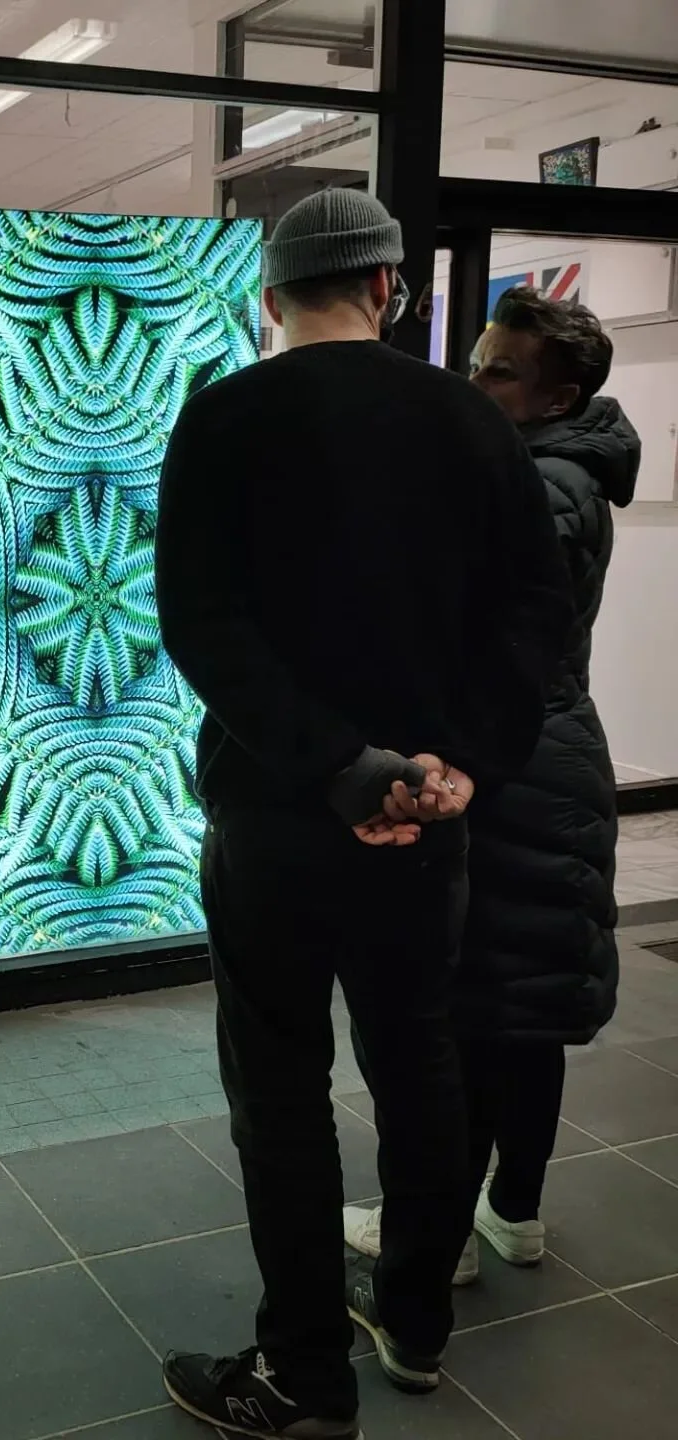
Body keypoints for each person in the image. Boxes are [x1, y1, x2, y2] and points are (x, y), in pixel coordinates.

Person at [153, 191, 571, 1439]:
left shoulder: (222, 418)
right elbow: (539, 619)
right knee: (421, 1066)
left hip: (275, 816)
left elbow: (201, 625)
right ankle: (417, 1324)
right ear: (392, 291)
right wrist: (460, 772)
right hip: (430, 823)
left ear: (271, 297)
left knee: (279, 1089)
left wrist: (336, 765)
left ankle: (303, 1378)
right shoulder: (470, 422)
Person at [345, 288, 638, 1285]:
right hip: (540, 759)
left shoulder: (545, 488)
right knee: (521, 1013)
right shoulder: (550, 470)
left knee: (471, 1014)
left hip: (511, 773)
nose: (473, 378)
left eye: (500, 369)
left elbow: (487, 633)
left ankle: (433, 1236)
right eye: (475, 357)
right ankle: (511, 1211)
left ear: (559, 396)